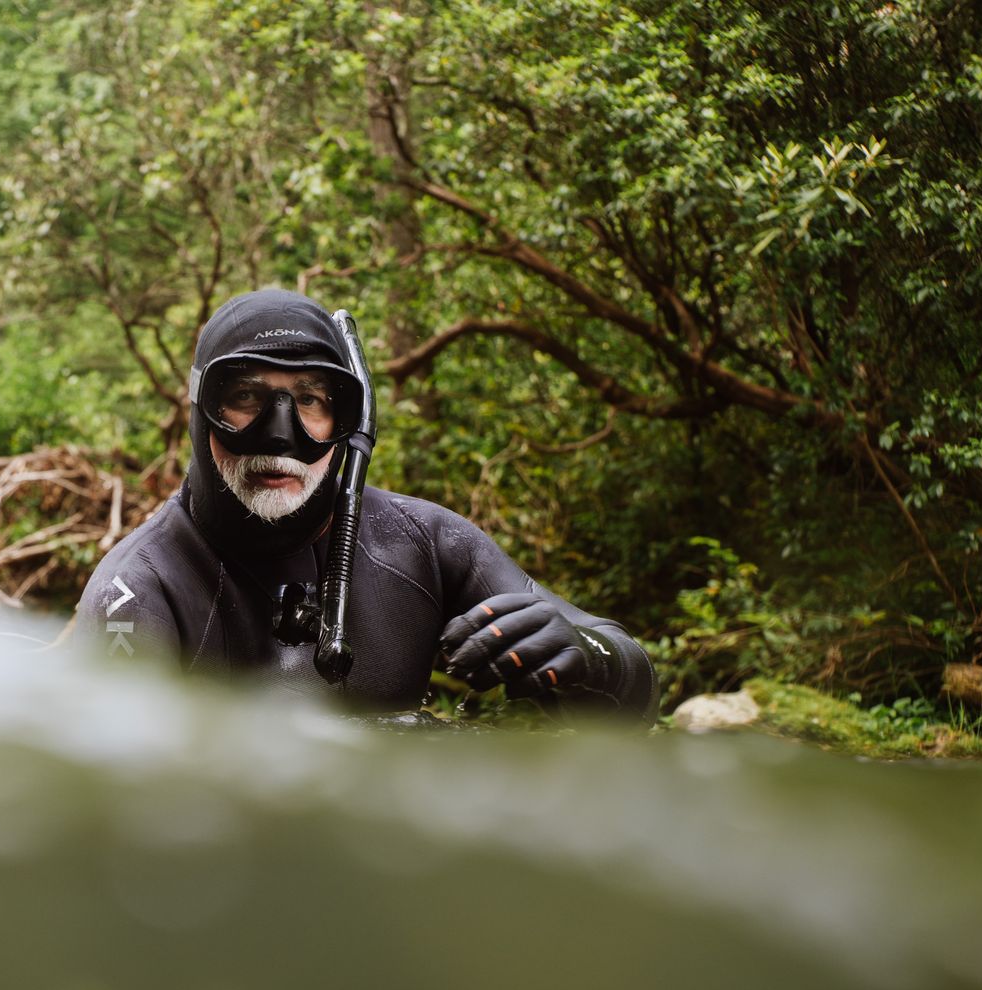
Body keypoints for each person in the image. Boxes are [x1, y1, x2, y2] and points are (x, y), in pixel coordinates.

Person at [74, 288, 657, 719]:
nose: (281, 436)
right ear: (202, 409)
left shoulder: (425, 543)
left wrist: (593, 656)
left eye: (311, 400)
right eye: (247, 396)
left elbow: (638, 690)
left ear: (347, 420)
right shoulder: (137, 591)